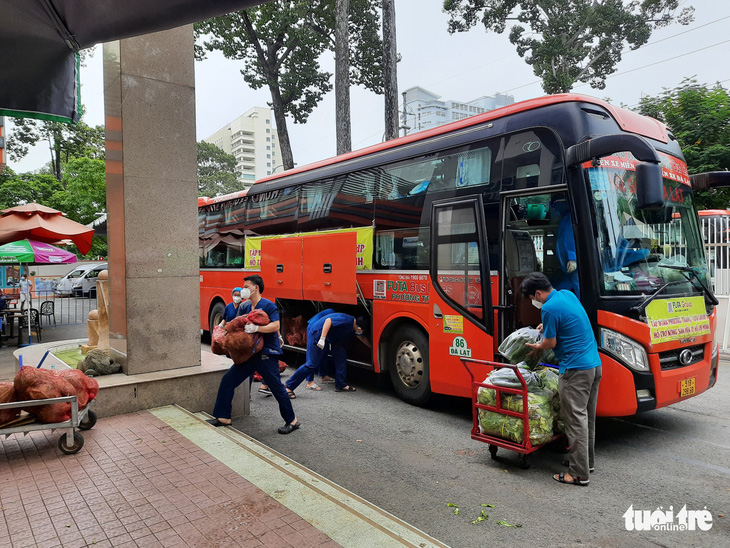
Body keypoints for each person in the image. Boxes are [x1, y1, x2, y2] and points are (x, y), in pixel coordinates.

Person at [520, 272, 602, 486]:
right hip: (594, 365)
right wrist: (545, 327)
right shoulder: (566, 295)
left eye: (531, 298)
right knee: (587, 419)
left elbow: (551, 343)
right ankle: (586, 463)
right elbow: (569, 321)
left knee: (575, 422)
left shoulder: (547, 308)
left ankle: (578, 475)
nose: (533, 302)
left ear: (537, 293)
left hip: (576, 370)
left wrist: (538, 346)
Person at [207, 274, 300, 434]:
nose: (243, 290)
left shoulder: (268, 306)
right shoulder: (244, 307)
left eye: (246, 287)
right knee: (228, 381)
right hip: (248, 355)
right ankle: (223, 417)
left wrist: (258, 329)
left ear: (256, 288)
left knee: (277, 388)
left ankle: (292, 421)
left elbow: (276, 325)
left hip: (266, 354)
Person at [285, 312, 369, 396]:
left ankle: (340, 384)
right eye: (360, 331)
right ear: (359, 328)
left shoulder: (353, 325)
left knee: (341, 355)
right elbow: (328, 321)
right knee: (312, 364)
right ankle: (289, 386)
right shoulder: (346, 320)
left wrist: (371, 348)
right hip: (317, 334)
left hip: (330, 338)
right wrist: (322, 338)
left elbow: (361, 337)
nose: (360, 332)